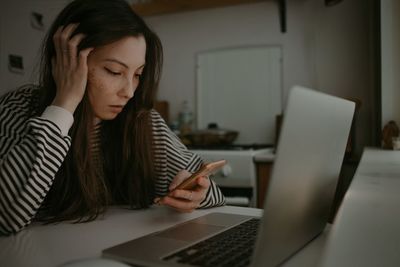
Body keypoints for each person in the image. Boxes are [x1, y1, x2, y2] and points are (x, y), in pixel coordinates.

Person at [0, 0, 225, 235]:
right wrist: (64, 103)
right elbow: (5, 217)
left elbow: (215, 195)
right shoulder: (19, 108)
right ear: (66, 63)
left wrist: (196, 192)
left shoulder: (144, 122)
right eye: (114, 71)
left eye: (138, 74)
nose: (129, 91)